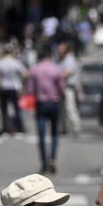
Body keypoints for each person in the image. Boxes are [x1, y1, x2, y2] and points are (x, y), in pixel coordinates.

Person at [25, 46, 67, 174]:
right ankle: (53, 158)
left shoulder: (35, 70)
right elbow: (62, 89)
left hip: (41, 104)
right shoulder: (57, 69)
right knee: (54, 133)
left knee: (42, 135)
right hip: (54, 103)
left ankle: (44, 162)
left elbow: (30, 90)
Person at [0, 46, 27, 136]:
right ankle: (19, 128)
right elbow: (25, 74)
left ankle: (5, 128)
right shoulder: (16, 62)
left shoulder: (0, 63)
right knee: (17, 109)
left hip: (4, 87)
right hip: (14, 87)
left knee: (4, 109)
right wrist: (21, 83)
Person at [58, 43, 82, 137]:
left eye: (61, 49)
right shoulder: (63, 59)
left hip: (69, 87)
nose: (59, 51)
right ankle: (63, 128)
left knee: (70, 108)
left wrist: (58, 75)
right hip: (63, 87)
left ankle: (76, 128)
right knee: (62, 109)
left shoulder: (70, 59)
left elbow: (69, 72)